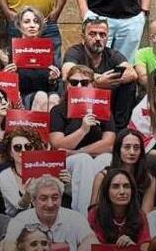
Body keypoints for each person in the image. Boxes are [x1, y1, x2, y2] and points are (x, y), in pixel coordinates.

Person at [48, 64, 114, 214]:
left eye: (84, 83)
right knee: (83, 161)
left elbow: (110, 143)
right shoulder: (58, 110)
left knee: (107, 159)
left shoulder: (102, 107)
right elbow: (58, 146)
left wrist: (78, 152)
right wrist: (83, 130)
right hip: (68, 164)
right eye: (73, 82)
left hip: (89, 157)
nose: (78, 86)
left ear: (92, 85)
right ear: (67, 85)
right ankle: (83, 215)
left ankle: (98, 213)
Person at [61, 16, 138, 130]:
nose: (98, 38)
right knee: (76, 82)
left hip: (107, 103)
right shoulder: (75, 51)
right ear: (83, 37)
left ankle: (119, 129)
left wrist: (107, 81)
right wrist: (96, 82)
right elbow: (67, 72)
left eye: (102, 35)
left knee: (129, 83)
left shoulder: (112, 54)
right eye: (92, 34)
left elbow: (132, 73)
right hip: (81, 103)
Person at [2, 175, 96, 251]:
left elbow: (90, 240)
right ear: (33, 201)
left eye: (55, 198)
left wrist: (87, 245)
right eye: (43, 199)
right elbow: (9, 245)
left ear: (61, 198)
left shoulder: (76, 217)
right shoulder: (20, 219)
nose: (50, 204)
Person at [90, 129, 156, 216]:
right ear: (118, 149)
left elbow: (146, 216)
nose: (132, 152)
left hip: (136, 222)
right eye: (127, 147)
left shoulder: (148, 179)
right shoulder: (103, 176)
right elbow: (93, 214)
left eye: (136, 148)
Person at [9, 7, 61, 110]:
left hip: (46, 95)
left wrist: (52, 80)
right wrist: (9, 75)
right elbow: (8, 87)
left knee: (55, 98)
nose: (32, 25)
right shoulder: (12, 51)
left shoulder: (47, 49)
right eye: (27, 22)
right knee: (41, 96)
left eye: (36, 22)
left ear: (40, 26)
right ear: (19, 25)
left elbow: (54, 87)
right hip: (22, 97)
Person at [88, 168, 151, 250]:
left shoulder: (139, 215)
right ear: (107, 191)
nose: (122, 192)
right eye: (115, 187)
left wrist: (133, 247)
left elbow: (146, 247)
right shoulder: (95, 215)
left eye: (126, 186)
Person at [0, 127, 48, 216]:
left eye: (28, 147)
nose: (23, 151)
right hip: (16, 220)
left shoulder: (45, 170)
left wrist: (62, 184)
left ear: (34, 149)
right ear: (10, 153)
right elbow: (18, 208)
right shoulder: (5, 176)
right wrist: (27, 195)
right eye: (17, 147)